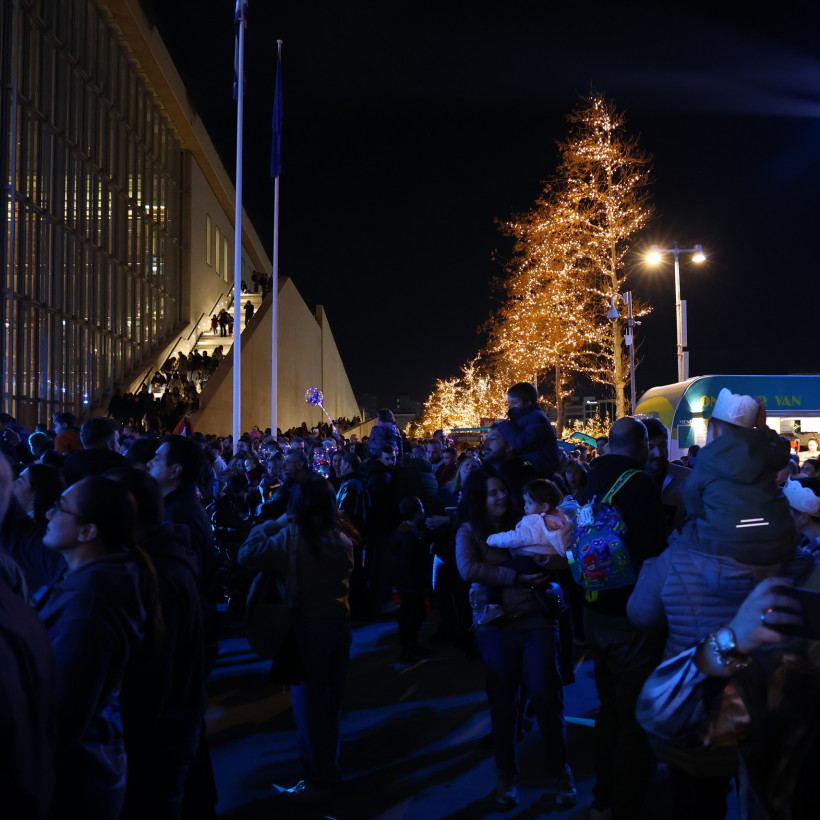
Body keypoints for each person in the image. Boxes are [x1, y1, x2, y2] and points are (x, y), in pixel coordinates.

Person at [636, 575, 820, 820]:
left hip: (708, 705)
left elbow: (640, 614)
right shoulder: (789, 675)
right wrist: (729, 642)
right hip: (714, 697)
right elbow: (656, 716)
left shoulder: (672, 561)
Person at [37, 476, 162, 819]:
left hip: (75, 784)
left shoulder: (87, 610)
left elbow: (60, 719)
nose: (48, 514)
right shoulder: (93, 581)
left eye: (59, 508)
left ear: (88, 531)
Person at [455, 470, 575, 809]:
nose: (501, 497)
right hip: (496, 624)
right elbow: (468, 569)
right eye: (492, 493)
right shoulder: (469, 530)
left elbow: (561, 558)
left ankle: (561, 771)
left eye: (502, 491)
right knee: (503, 703)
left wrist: (544, 559)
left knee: (545, 696)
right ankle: (506, 777)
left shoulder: (528, 518)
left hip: (536, 617)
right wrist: (516, 576)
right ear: (478, 497)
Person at [238, 479, 354, 804]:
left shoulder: (291, 538)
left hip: (306, 629)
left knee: (308, 709)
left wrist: (271, 523)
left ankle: (318, 780)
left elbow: (246, 555)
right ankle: (329, 768)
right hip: (339, 625)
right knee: (331, 705)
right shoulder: (342, 539)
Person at [575, 416, 667, 820]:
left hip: (594, 609)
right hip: (631, 615)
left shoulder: (593, 481)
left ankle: (603, 796)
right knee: (634, 717)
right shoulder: (640, 484)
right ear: (641, 444)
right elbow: (654, 551)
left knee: (608, 709)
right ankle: (629, 804)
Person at [479, 478, 572, 623]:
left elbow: (515, 537)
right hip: (552, 564)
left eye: (529, 503)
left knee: (497, 572)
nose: (525, 507)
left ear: (545, 506)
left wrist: (491, 539)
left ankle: (493, 606)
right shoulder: (560, 518)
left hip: (533, 561)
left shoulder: (534, 522)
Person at [391, 496, 433, 664]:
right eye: (421, 507)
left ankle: (412, 645)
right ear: (417, 514)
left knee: (412, 615)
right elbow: (410, 563)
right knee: (412, 615)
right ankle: (407, 649)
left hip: (407, 582)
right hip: (410, 584)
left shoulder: (403, 531)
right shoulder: (409, 537)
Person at [498, 382, 561, 479]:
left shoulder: (536, 417)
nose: (510, 407)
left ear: (528, 403)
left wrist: (503, 425)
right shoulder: (525, 418)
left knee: (506, 468)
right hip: (534, 460)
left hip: (538, 463)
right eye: (509, 403)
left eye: (514, 403)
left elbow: (520, 442)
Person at [642, 417, 691, 535]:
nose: (658, 453)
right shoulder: (627, 481)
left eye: (662, 445)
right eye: (651, 447)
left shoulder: (688, 478)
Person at [62, 417, 128, 486]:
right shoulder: (122, 465)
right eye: (117, 440)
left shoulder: (70, 462)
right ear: (109, 444)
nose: (119, 446)